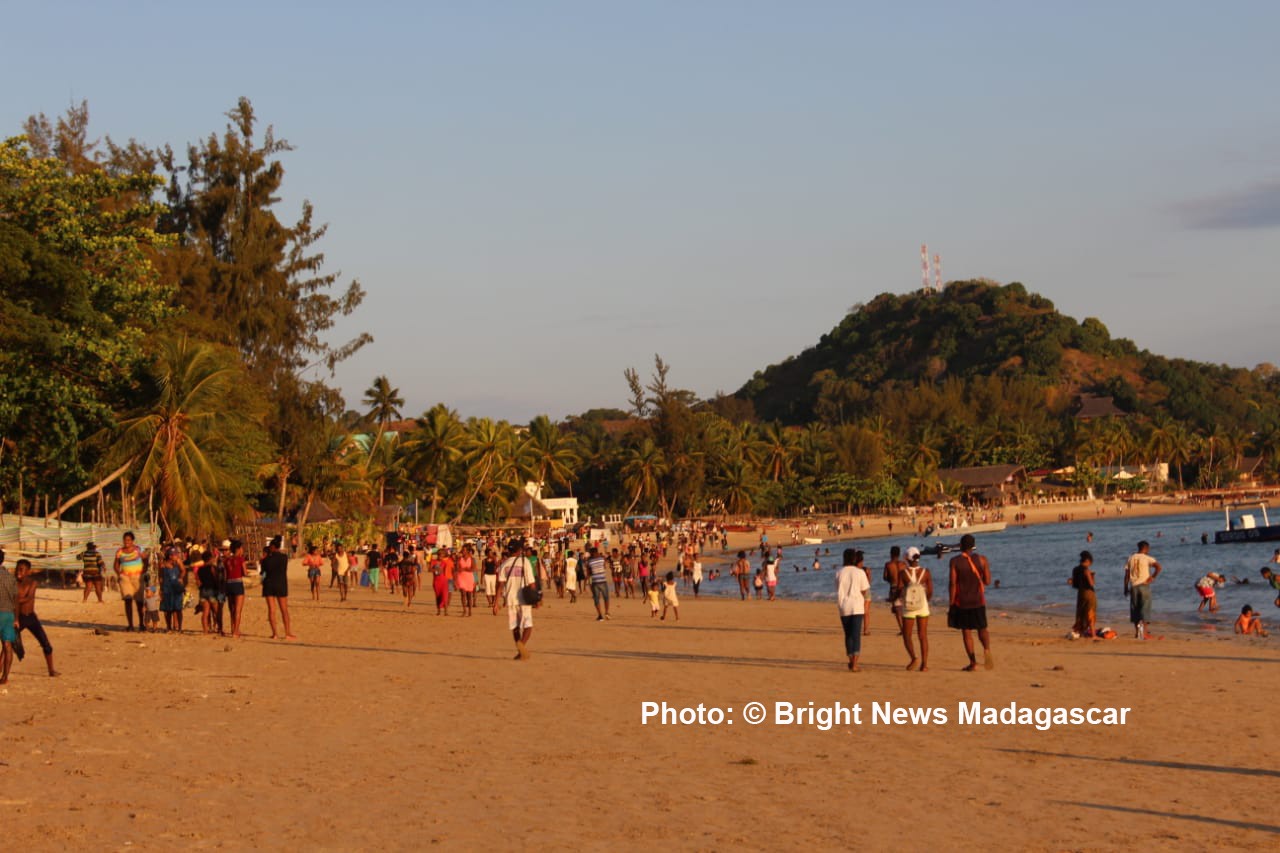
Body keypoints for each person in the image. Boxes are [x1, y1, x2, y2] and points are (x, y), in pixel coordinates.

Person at [948, 534, 993, 671]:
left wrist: (951, 603)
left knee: (966, 632)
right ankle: (987, 650)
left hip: (963, 601)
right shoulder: (982, 559)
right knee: (982, 628)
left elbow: (953, 584)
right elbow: (987, 581)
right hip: (978, 600)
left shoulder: (955, 561)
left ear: (960, 546)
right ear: (973, 546)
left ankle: (973, 663)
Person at [494, 540, 536, 660]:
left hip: (510, 599)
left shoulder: (505, 564)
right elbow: (531, 583)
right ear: (519, 550)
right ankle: (521, 645)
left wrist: (496, 603)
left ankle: (519, 652)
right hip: (524, 598)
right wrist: (536, 598)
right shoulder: (525, 562)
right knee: (528, 626)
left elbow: (500, 585)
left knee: (515, 627)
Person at [15, 560, 57, 677]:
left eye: (21, 570)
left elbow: (28, 598)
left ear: (28, 571)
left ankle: (51, 670)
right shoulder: (14, 583)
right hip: (19, 617)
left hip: (31, 617)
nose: (18, 572)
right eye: (17, 569)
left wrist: (14, 600)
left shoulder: (32, 583)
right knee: (8, 645)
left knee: (46, 645)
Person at [836, 548, 871, 672]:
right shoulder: (859, 572)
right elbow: (865, 589)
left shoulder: (839, 572)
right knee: (856, 635)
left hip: (843, 606)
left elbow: (838, 588)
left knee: (848, 635)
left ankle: (851, 660)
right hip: (857, 606)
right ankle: (855, 663)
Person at [899, 549, 932, 671]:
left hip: (909, 605)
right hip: (922, 605)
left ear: (907, 558)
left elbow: (899, 589)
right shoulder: (926, 572)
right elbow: (930, 591)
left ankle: (914, 657)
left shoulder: (903, 573)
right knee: (923, 635)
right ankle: (924, 665)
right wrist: (925, 600)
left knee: (907, 635)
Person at [1123, 540, 1162, 639]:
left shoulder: (1131, 558)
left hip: (1134, 587)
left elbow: (1127, 575)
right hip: (1144, 586)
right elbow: (1158, 567)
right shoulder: (1147, 558)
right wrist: (1152, 577)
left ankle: (1137, 633)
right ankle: (1144, 633)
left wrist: (1125, 588)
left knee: (1135, 609)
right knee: (1145, 609)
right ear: (1146, 548)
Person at [113, 531, 148, 632]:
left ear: (132, 540)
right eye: (125, 540)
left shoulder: (139, 549)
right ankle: (130, 625)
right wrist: (119, 574)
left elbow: (145, 560)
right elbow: (116, 564)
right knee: (128, 600)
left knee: (139, 602)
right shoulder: (120, 551)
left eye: (128, 540)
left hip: (137, 577)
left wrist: (143, 570)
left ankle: (141, 624)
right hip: (125, 578)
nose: (126, 542)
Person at [260, 537, 294, 640]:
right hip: (281, 584)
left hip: (269, 584)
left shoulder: (265, 560)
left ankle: (275, 633)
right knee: (284, 610)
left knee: (272, 610)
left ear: (272, 547)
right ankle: (287, 633)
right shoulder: (284, 558)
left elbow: (263, 573)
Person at [0, 553, 18, 685]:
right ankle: (5, 677)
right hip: (8, 614)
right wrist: (16, 617)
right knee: (7, 645)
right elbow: (16, 599)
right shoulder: (10, 577)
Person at [1069, 551, 1097, 638]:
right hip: (1089, 593)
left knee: (1081, 613)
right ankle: (1093, 634)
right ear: (1087, 561)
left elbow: (1075, 585)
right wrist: (1093, 576)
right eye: (1090, 563)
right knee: (1090, 612)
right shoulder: (1086, 570)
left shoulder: (1075, 569)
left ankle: (1080, 632)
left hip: (1080, 593)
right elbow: (1091, 584)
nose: (1090, 565)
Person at [224, 540, 248, 637]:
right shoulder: (240, 559)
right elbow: (245, 572)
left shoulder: (227, 560)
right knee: (238, 610)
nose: (242, 550)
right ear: (238, 549)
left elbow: (226, 575)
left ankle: (232, 628)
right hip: (238, 583)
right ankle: (236, 632)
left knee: (232, 609)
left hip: (229, 584)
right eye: (241, 548)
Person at [883, 546, 908, 637]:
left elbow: (885, 577)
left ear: (891, 554)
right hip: (904, 588)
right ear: (899, 553)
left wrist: (891, 579)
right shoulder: (904, 564)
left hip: (894, 588)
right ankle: (906, 628)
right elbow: (907, 576)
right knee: (904, 609)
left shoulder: (888, 564)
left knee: (897, 610)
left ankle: (902, 629)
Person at [159, 553, 186, 633]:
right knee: (168, 610)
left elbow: (183, 570)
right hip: (167, 588)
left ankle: (179, 628)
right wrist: (161, 589)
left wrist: (181, 578)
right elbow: (161, 577)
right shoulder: (163, 565)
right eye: (175, 555)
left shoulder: (178, 563)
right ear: (170, 556)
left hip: (177, 588)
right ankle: (169, 627)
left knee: (178, 609)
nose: (177, 556)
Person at [587, 546, 611, 621]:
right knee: (606, 597)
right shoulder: (602, 559)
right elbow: (604, 567)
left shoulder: (589, 561)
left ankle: (600, 615)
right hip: (603, 580)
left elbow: (589, 573)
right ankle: (606, 612)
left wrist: (589, 583)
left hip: (595, 582)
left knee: (596, 599)